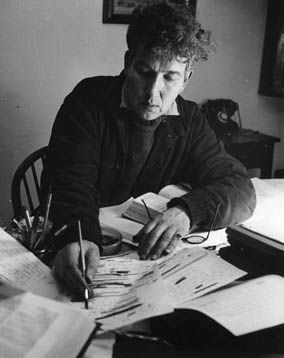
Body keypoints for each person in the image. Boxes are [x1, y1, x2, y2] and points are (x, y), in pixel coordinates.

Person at [42, 2, 256, 298]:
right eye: (144, 71)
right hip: (86, 247)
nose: (152, 93)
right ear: (128, 63)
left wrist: (186, 212)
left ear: (186, 80)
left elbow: (240, 188)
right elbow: (71, 183)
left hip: (150, 271)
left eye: (170, 77)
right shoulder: (87, 99)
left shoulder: (191, 120)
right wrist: (78, 235)